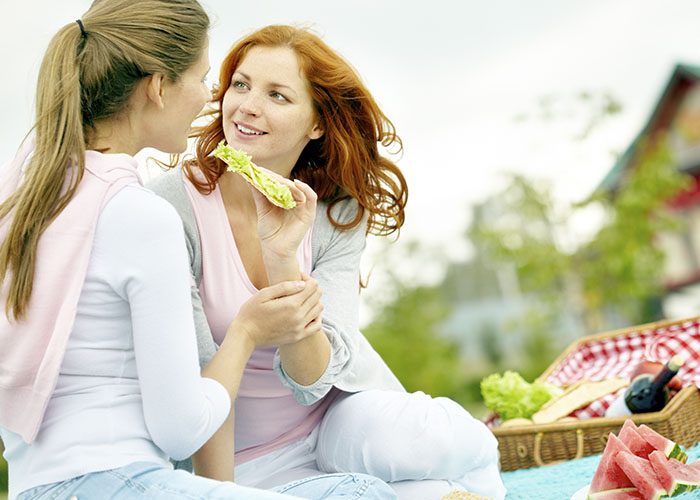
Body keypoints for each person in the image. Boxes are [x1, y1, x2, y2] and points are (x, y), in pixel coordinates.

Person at [0, 3, 397, 500]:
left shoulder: (25, 189)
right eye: (207, 78)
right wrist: (246, 332)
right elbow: (180, 429)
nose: (212, 98)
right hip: (118, 481)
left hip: (34, 485)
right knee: (363, 493)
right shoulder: (142, 214)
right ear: (160, 88)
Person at [149, 24, 506, 500]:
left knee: (444, 439)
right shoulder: (172, 206)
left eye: (277, 95)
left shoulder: (336, 212)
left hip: (337, 421)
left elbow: (312, 380)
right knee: (429, 493)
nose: (247, 106)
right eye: (241, 84)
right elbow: (195, 383)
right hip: (236, 459)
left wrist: (282, 261)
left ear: (316, 123)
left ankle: (481, 478)